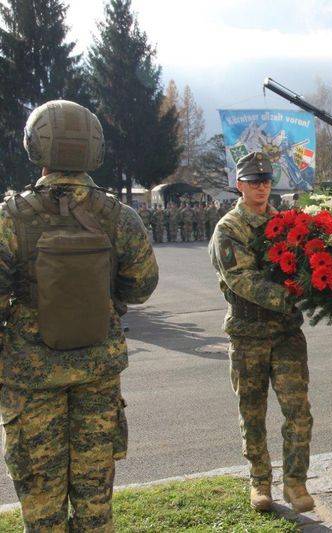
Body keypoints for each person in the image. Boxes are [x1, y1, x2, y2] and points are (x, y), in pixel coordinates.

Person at [0, 100, 158, 530]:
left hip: (30, 379)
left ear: (36, 147)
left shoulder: (10, 218)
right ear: (95, 149)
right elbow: (141, 285)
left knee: (43, 511)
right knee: (95, 507)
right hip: (97, 371)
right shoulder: (117, 216)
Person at [209, 151, 314, 512]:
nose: (261, 187)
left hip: (286, 334)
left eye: (266, 181)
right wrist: (293, 295)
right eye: (254, 182)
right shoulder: (228, 229)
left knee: (298, 410)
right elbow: (240, 279)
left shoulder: (286, 223)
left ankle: (296, 483)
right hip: (248, 333)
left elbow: (305, 260)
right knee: (252, 412)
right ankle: (260, 482)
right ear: (239, 186)